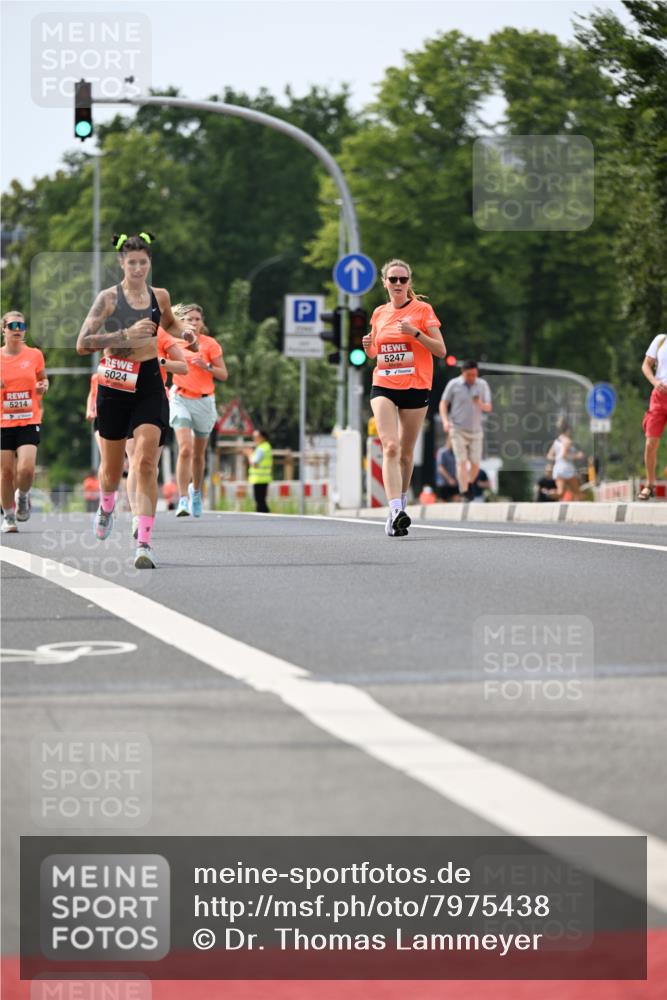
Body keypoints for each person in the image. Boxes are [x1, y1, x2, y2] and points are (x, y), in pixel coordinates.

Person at [76, 231, 193, 569]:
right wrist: (124, 335)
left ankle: (144, 543)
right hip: (114, 384)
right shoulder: (108, 300)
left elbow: (169, 321)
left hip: (149, 383)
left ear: (150, 262)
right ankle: (107, 503)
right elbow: (83, 343)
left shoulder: (160, 296)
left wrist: (185, 332)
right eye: (132, 263)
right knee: (112, 472)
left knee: (145, 462)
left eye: (143, 262)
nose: (138, 268)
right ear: (121, 264)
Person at [362, 258, 445, 537]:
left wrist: (416, 333)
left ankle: (399, 506)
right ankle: (396, 508)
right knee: (391, 447)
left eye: (403, 279)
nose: (398, 284)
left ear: (409, 283)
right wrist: (368, 347)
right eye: (393, 279)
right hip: (384, 384)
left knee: (407, 455)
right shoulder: (379, 313)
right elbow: (376, 353)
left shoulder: (423, 310)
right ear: (384, 282)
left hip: (416, 386)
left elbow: (441, 351)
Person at [125, 324, 187, 536]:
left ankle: (144, 524)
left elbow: (183, 366)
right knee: (134, 460)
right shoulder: (120, 332)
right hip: (125, 400)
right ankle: (136, 516)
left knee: (148, 465)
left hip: (153, 400)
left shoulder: (160, 334)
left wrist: (160, 361)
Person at [169, 303, 228, 517]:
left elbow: (223, 374)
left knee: (198, 454)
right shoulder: (174, 341)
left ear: (202, 322)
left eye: (197, 319)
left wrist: (207, 366)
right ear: (182, 322)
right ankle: (182, 499)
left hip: (204, 400)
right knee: (185, 448)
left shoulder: (210, 344)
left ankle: (196, 492)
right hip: (180, 397)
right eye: (189, 319)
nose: (194, 323)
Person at [0, 311, 48, 532]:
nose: (17, 329)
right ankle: (8, 517)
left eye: (21, 325)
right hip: (2, 422)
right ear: (4, 329)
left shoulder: (35, 355)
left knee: (26, 469)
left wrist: (43, 386)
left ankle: (23, 496)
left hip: (29, 418)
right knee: (6, 472)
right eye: (12, 325)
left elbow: (42, 378)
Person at [439, 360, 492, 501]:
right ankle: (464, 490)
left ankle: (468, 483)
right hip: (457, 428)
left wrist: (479, 403)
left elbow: (488, 407)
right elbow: (443, 403)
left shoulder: (482, 385)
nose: (472, 378)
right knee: (461, 461)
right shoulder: (454, 384)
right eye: (469, 375)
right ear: (463, 372)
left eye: (474, 375)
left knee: (475, 463)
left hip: (475, 430)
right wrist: (445, 421)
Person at [637, 332, 667, 500]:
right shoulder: (661, 340)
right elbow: (646, 365)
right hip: (659, 396)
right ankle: (650, 484)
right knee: (651, 442)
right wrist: (655, 382)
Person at [546, 421, 585, 500]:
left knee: (560, 493)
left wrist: (557, 459)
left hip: (558, 468)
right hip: (567, 468)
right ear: (568, 430)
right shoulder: (567, 441)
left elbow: (549, 456)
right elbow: (564, 455)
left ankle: (549, 493)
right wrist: (577, 456)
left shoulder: (557, 441)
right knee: (578, 493)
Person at [245, 428, 273, 513]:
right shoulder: (267, 447)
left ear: (263, 437)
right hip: (264, 478)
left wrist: (249, 454)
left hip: (259, 478)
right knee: (261, 500)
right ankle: (266, 516)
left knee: (259, 501)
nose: (254, 439)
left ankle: (264, 517)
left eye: (256, 436)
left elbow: (254, 463)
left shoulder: (261, 449)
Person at [434, 434, 460, 502]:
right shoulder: (442, 452)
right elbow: (440, 467)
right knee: (444, 503)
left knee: (457, 500)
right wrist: (449, 479)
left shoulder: (455, 453)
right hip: (444, 482)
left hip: (454, 481)